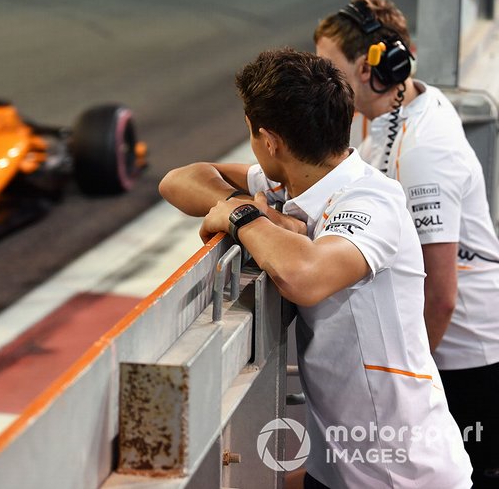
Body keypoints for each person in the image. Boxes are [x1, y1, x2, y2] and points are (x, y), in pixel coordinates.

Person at [159, 48, 472, 488]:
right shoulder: (297, 180)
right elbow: (179, 179)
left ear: (269, 142)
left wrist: (243, 218)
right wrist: (240, 205)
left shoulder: (370, 200)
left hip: (404, 476)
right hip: (344, 467)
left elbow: (304, 277)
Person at [314, 0, 499, 487]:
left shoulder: (421, 152)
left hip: (461, 360)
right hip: (451, 349)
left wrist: (409, 390)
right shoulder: (395, 113)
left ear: (374, 69)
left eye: (328, 68)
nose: (318, 80)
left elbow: (441, 298)